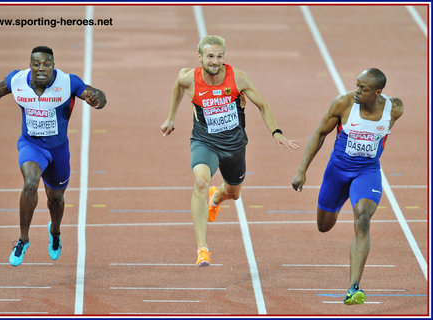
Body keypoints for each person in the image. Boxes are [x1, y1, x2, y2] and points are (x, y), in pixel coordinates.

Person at [160, 35, 299, 268]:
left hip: (234, 145)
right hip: (205, 142)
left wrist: (277, 133)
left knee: (233, 194)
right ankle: (202, 249)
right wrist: (171, 117)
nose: (215, 61)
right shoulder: (189, 79)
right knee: (201, 182)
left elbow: (263, 105)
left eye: (219, 56)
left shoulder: (239, 78)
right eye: (210, 56)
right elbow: (177, 86)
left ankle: (216, 199)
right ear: (200, 57)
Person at [0, 46, 107, 266]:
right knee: (30, 184)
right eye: (37, 64)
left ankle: (55, 231)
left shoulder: (68, 82)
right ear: (30, 65)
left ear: (53, 66)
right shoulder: (18, 80)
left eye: (47, 64)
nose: (42, 68)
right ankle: (23, 239)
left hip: (58, 150)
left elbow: (92, 93)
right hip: (31, 145)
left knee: (56, 198)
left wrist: (99, 97)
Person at [291, 68, 403, 305]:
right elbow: (320, 133)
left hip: (367, 172)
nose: (357, 91)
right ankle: (340, 203)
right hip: (337, 172)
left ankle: (353, 287)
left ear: (377, 92)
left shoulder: (394, 108)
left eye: (363, 88)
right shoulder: (343, 104)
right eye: (357, 85)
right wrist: (302, 170)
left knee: (362, 217)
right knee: (324, 226)